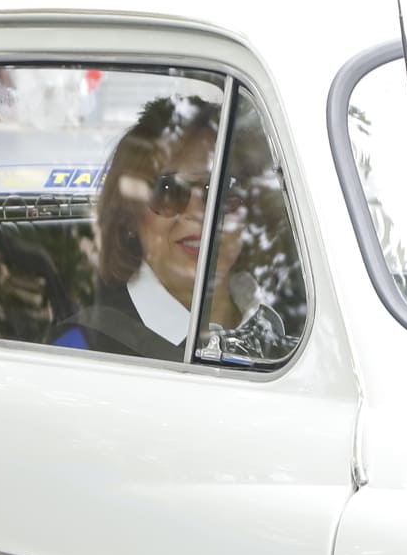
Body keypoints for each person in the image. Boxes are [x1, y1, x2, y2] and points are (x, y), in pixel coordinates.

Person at [51, 97, 288, 363]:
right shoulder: (80, 350)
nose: (199, 212)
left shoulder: (282, 327)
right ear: (129, 216)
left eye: (223, 190)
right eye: (169, 191)